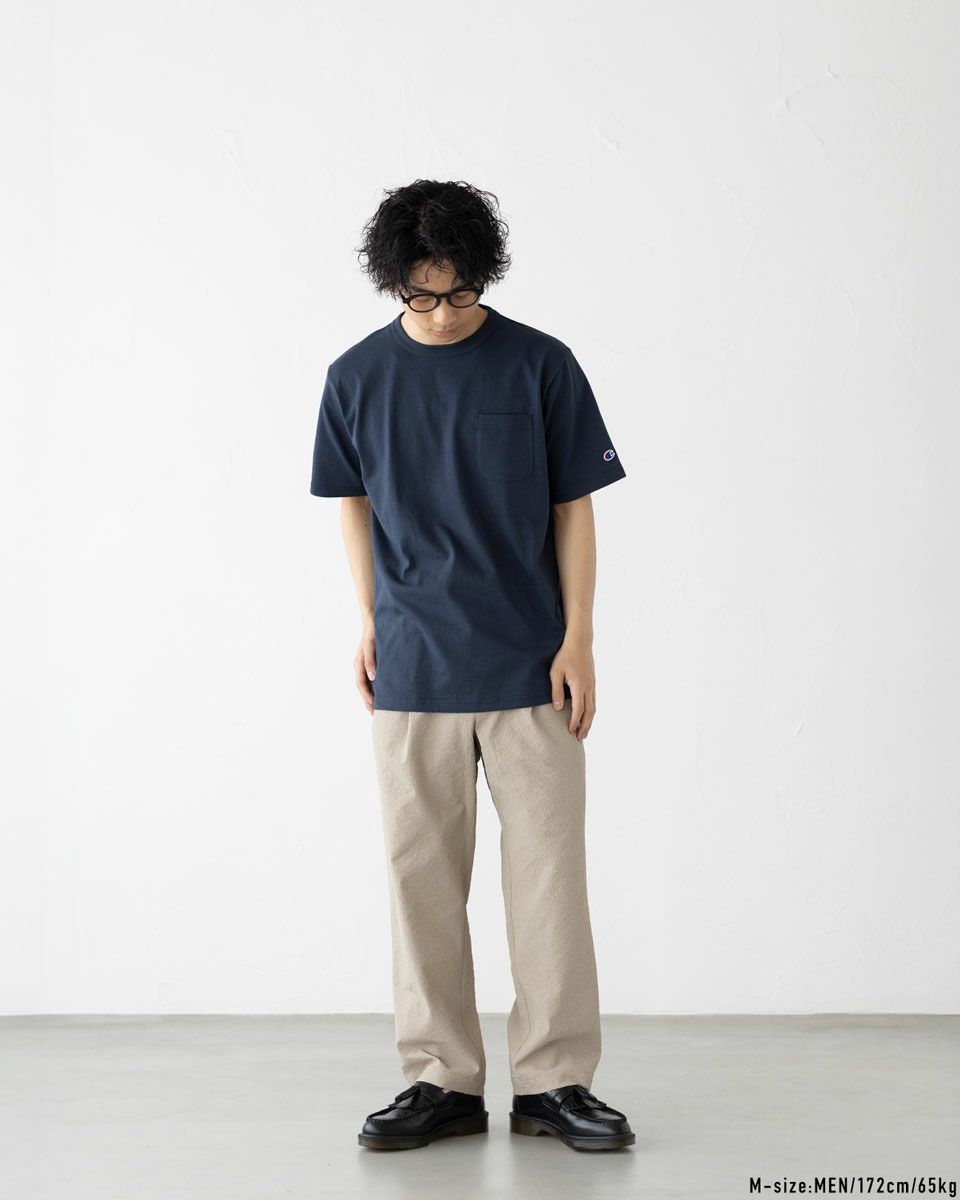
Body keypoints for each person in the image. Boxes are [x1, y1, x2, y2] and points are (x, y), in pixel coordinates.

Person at [310, 179, 634, 1153]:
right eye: (422, 296)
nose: (443, 313)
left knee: (549, 884)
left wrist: (580, 637)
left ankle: (555, 1082)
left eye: (458, 293)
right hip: (414, 668)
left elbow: (575, 506)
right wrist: (369, 620)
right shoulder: (356, 377)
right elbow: (353, 502)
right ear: (392, 283)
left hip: (533, 664)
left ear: (483, 276)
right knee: (420, 882)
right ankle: (440, 1079)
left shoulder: (541, 365)